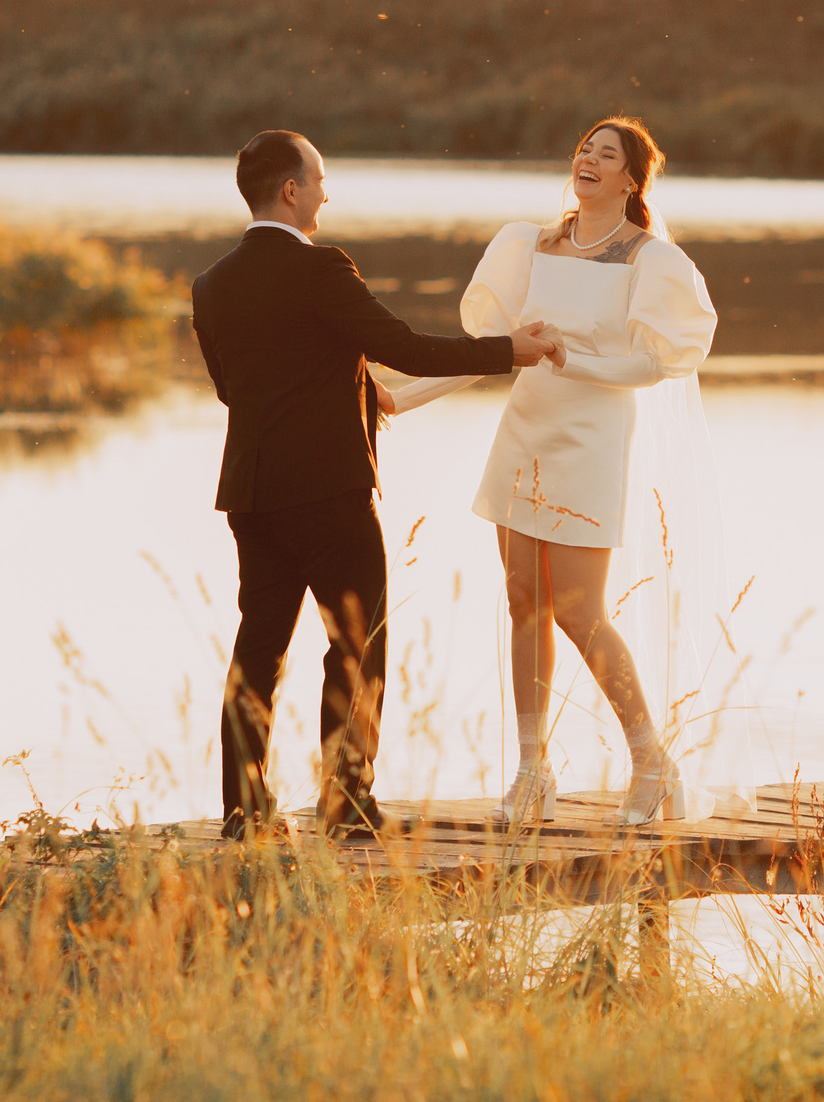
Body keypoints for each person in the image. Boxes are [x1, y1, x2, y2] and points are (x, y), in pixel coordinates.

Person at [191, 130, 562, 841]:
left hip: (250, 491)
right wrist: (508, 350)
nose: (327, 192)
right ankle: (348, 803)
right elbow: (407, 347)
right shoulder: (322, 269)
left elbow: (233, 388)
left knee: (258, 649)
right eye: (320, 178)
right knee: (359, 643)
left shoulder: (213, 283)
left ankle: (243, 811)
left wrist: (360, 397)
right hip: (329, 490)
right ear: (292, 190)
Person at [388, 117, 723, 827]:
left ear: (632, 179)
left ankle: (652, 760)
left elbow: (658, 361)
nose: (589, 158)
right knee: (523, 603)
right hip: (525, 430)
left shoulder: (650, 259)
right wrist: (401, 396)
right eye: (583, 148)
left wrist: (579, 360)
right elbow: (493, 349)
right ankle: (534, 769)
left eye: (608, 154)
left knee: (578, 607)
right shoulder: (527, 244)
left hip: (592, 435)